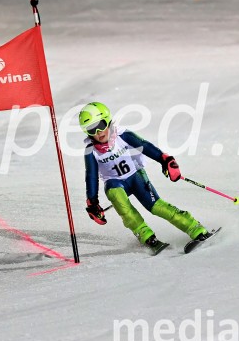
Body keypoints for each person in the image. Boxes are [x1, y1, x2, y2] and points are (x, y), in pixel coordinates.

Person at [79, 101, 211, 251]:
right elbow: (91, 176)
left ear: (108, 120)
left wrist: (165, 160)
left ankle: (195, 228)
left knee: (156, 207)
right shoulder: (91, 151)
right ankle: (146, 236)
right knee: (120, 201)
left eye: (100, 125)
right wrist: (93, 202)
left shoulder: (122, 135)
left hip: (135, 176)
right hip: (114, 182)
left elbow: (145, 146)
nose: (98, 132)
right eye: (91, 129)